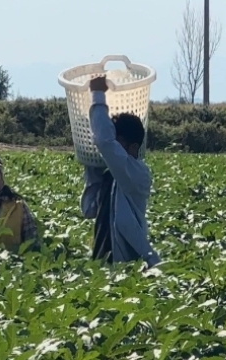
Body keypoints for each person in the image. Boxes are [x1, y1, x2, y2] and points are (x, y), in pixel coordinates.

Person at [80, 75, 161, 269]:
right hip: (102, 263)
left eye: (120, 143)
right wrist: (92, 169)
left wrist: (98, 96)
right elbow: (89, 210)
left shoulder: (136, 174)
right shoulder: (111, 176)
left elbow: (105, 142)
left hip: (128, 265)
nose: (113, 149)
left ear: (133, 147)